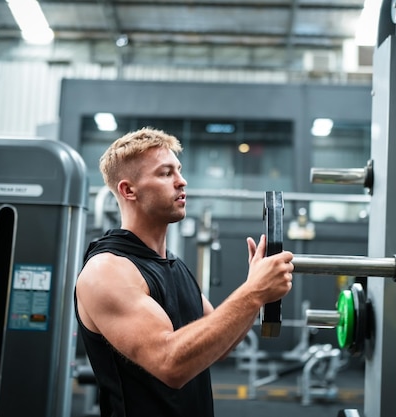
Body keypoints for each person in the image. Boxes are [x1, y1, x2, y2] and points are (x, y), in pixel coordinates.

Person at [74, 127, 294, 417]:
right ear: (128, 190)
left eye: (178, 170)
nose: (182, 181)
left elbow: (220, 344)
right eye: (166, 174)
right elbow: (170, 364)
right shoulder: (107, 270)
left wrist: (257, 286)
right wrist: (252, 293)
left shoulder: (175, 265)